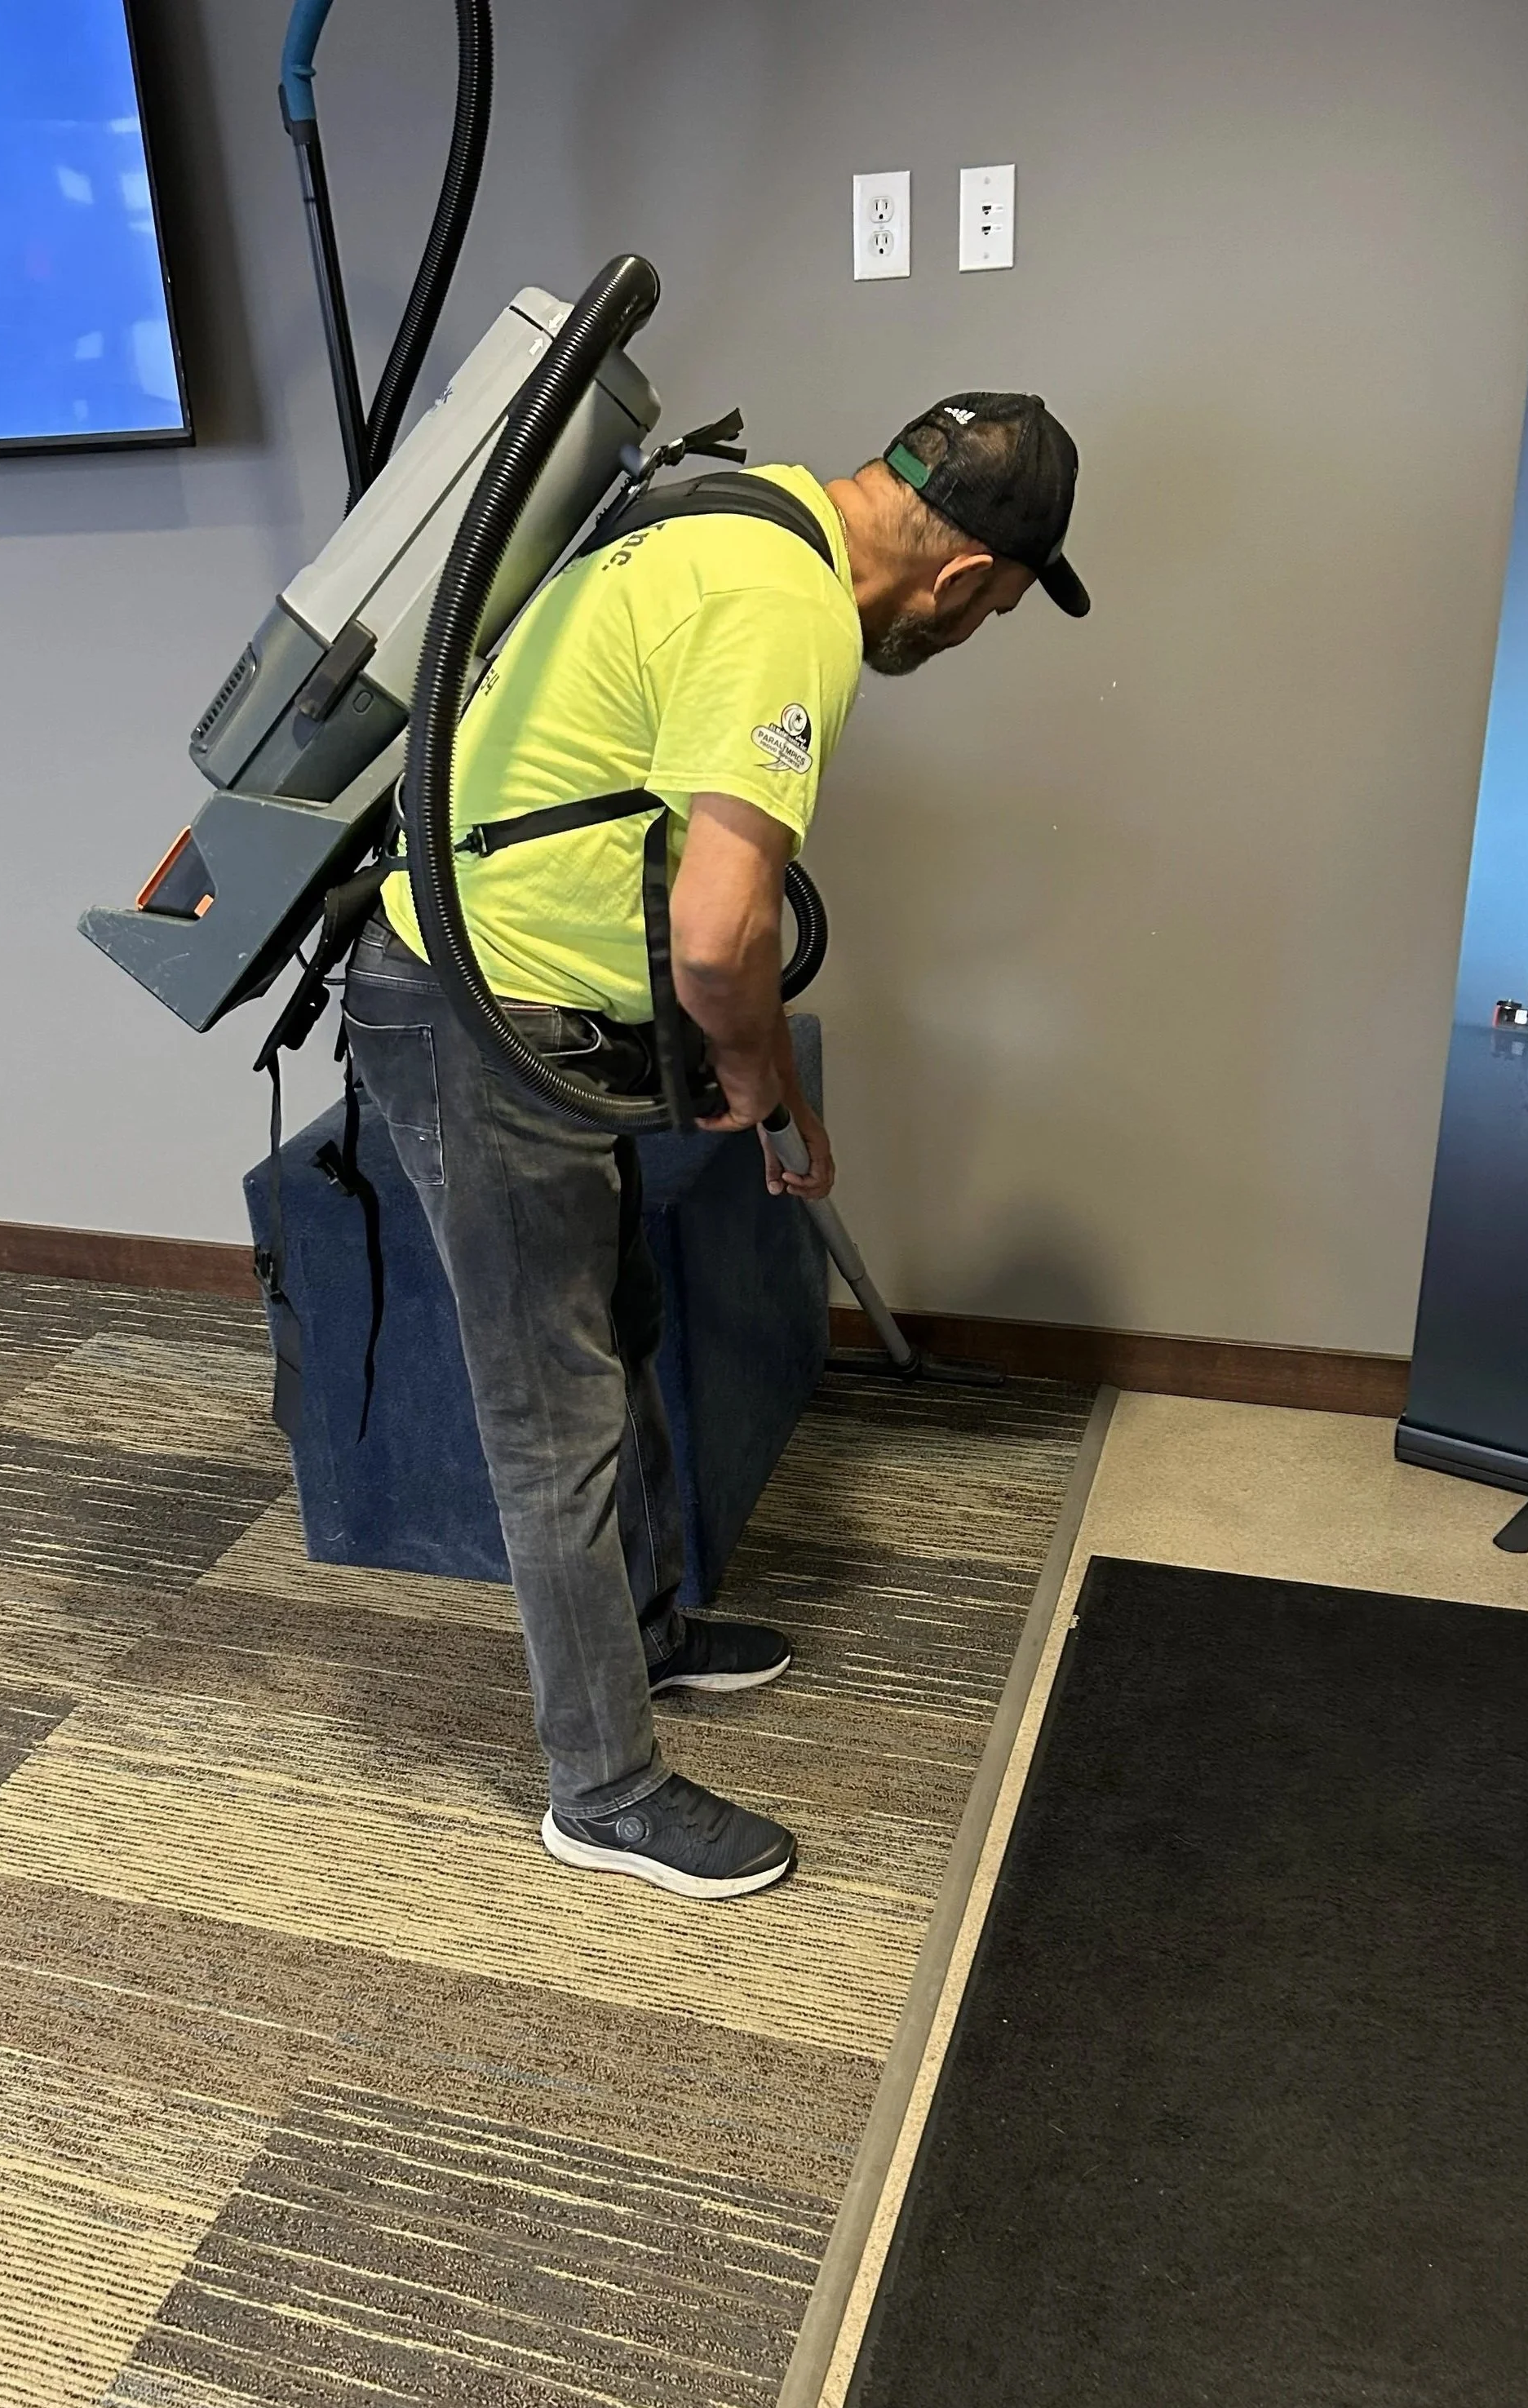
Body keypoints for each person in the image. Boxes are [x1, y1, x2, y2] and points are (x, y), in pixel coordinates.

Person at [343, 391, 1089, 1900]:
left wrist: (738, 1072)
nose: (968, 634)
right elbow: (720, 931)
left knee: (617, 1337)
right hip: (480, 1015)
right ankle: (598, 1787)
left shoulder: (730, 514)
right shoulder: (788, 609)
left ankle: (656, 1629)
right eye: (993, 612)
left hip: (540, 1016)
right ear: (958, 582)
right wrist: (764, 1086)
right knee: (552, 1420)